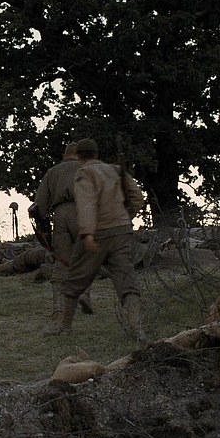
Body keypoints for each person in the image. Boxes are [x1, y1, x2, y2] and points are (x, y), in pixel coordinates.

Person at [43, 138, 146, 341]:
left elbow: (87, 203)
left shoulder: (84, 173)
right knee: (127, 281)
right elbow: (137, 197)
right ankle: (136, 328)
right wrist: (126, 217)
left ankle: (64, 327)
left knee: (74, 279)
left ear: (78, 156)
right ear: (97, 154)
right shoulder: (116, 170)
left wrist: (88, 233)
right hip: (121, 232)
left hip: (97, 234)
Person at [34, 141, 94, 316]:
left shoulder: (53, 172)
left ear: (65, 155)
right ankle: (85, 296)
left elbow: (40, 204)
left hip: (60, 214)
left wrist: (43, 227)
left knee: (62, 260)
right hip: (83, 211)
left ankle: (58, 307)